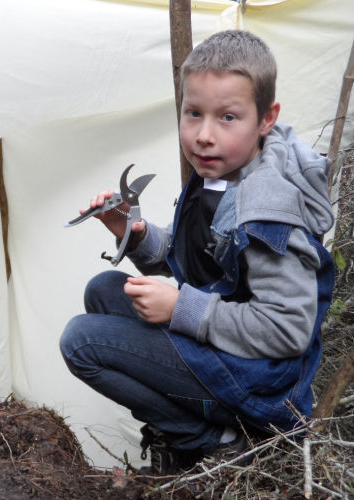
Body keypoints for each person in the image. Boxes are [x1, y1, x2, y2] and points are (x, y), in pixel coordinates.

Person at [59, 30, 335, 475]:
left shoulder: (268, 207)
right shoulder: (225, 168)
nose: (204, 136)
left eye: (227, 117)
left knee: (81, 342)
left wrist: (179, 308)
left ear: (267, 118)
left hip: (263, 387)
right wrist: (130, 230)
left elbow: (288, 331)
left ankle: (212, 440)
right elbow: (202, 259)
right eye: (193, 114)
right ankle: (200, 428)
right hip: (230, 355)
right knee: (106, 291)